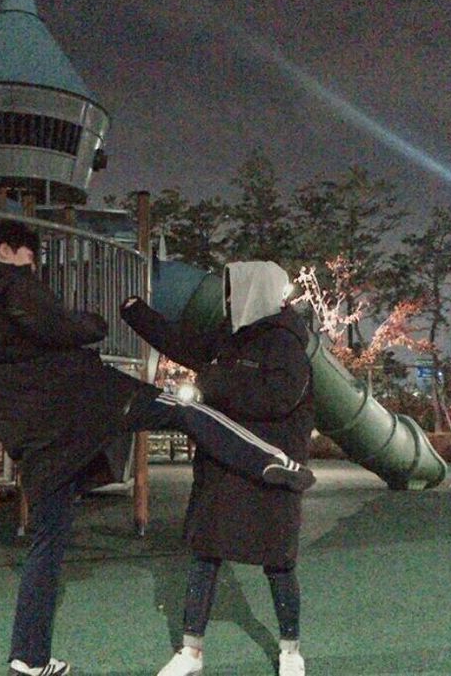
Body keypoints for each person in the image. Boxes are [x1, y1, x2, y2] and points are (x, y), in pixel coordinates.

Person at [0, 220, 315, 676]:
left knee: (47, 542)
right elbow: (63, 326)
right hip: (87, 401)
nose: (33, 269)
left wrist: (138, 316)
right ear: (10, 250)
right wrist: (92, 322)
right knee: (183, 410)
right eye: (31, 259)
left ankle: (29, 657)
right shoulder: (10, 282)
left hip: (33, 436)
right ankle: (270, 460)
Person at [121, 260, 314, 676]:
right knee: (206, 552)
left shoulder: (285, 343)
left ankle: (290, 648)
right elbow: (184, 345)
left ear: (253, 293)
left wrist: (213, 382)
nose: (227, 300)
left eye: (233, 291)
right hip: (224, 463)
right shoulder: (232, 339)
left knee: (278, 561)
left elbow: (277, 398)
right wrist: (135, 311)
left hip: (268, 465)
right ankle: (191, 652)